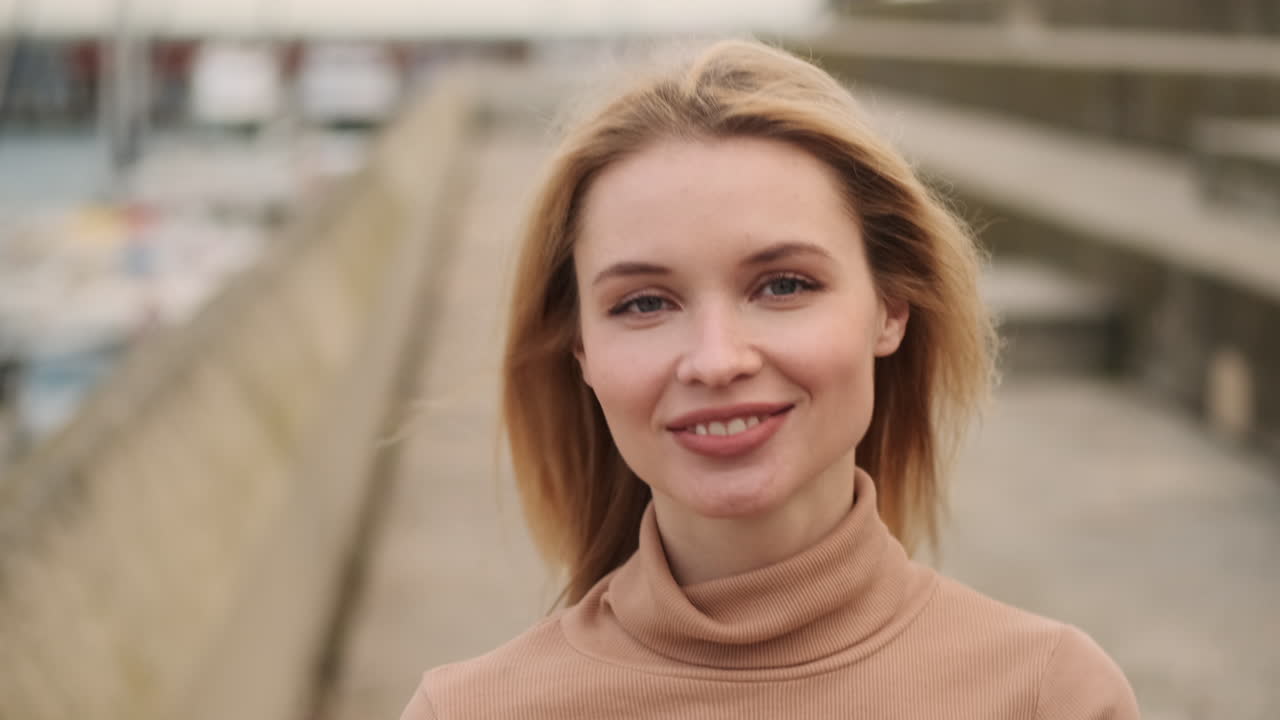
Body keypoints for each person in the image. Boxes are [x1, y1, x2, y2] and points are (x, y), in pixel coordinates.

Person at [400, 39, 1139, 719]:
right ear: (582, 352)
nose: (718, 360)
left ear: (889, 308)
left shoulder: (1050, 695)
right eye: (645, 303)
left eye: (783, 286)